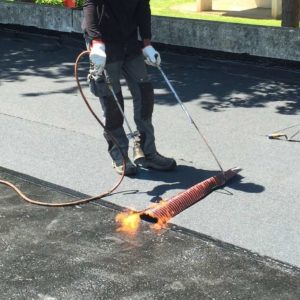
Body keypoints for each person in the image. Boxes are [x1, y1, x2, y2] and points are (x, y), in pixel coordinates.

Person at [82, 0, 176, 176]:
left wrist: (147, 44)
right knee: (112, 102)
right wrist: (96, 42)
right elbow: (90, 5)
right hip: (104, 43)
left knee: (145, 93)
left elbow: (143, 8)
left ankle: (147, 152)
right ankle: (120, 155)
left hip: (130, 42)